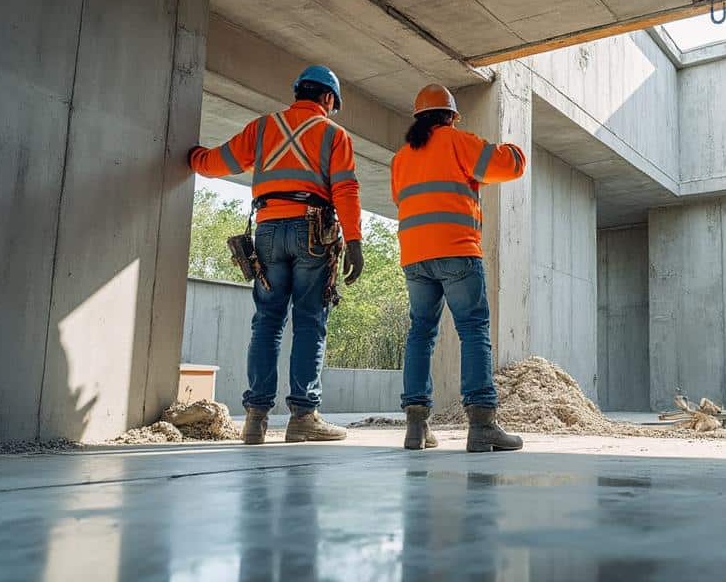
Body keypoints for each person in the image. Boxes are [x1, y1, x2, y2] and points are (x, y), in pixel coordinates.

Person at [187, 65, 364, 445]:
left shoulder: (264, 128)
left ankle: (255, 418)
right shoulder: (333, 133)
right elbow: (346, 189)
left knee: (266, 322)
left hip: (267, 230)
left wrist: (193, 157)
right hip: (312, 231)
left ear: (299, 91)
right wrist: (354, 241)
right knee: (309, 322)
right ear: (328, 99)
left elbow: (218, 163)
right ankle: (303, 416)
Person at [391, 84, 526, 453]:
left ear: (418, 118)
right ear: (451, 116)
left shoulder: (402, 158)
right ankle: (482, 424)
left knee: (420, 333)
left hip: (415, 256)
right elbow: (508, 166)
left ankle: (416, 427)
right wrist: (514, 148)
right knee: (473, 329)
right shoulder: (458, 141)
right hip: (456, 251)